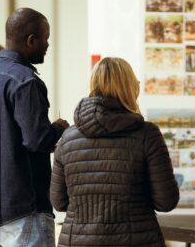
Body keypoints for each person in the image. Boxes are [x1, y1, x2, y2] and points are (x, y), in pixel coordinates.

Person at [0, 8, 69, 246]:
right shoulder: (27, 82)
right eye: (45, 38)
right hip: (24, 209)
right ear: (31, 41)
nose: (47, 45)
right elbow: (38, 140)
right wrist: (60, 127)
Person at [50, 57, 179, 247]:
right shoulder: (147, 135)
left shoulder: (68, 138)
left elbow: (59, 202)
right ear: (130, 88)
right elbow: (166, 202)